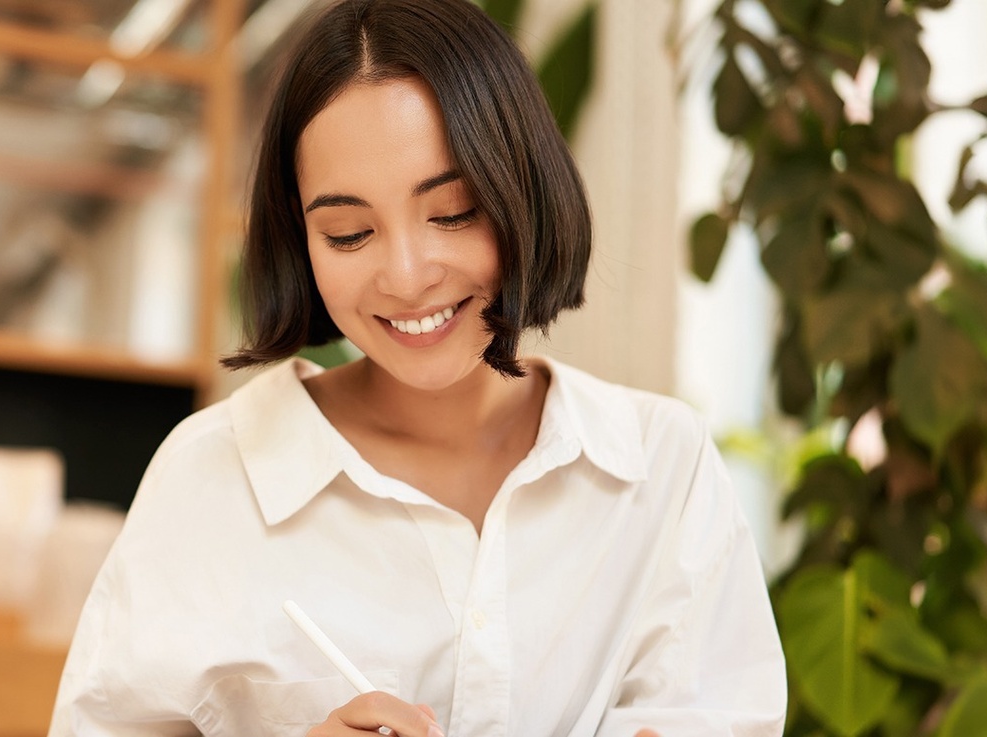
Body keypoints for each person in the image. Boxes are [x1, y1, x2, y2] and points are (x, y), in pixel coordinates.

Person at [48, 0, 785, 733]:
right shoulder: (215, 479)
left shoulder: (661, 469)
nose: (405, 275)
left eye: (453, 212)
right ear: (298, 239)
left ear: (520, 189)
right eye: (349, 232)